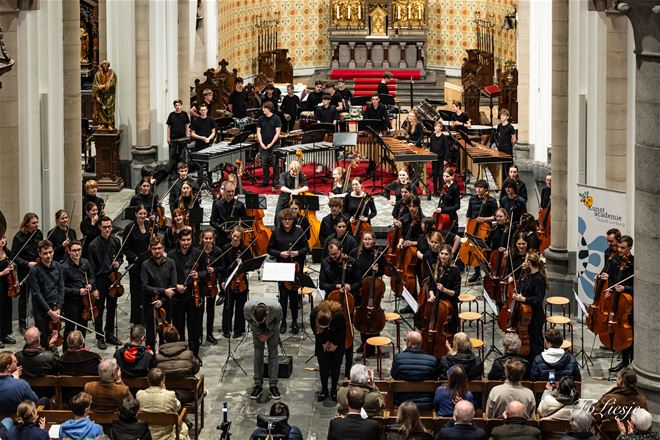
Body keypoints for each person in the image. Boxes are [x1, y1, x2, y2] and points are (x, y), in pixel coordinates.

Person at [267, 209, 308, 334]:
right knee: (283, 297)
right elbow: (269, 249)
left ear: (293, 220)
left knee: (294, 297)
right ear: (281, 220)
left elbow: (306, 248)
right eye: (284, 219)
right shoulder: (276, 232)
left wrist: (297, 252)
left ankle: (294, 321)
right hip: (282, 268)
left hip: (296, 268)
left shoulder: (299, 231)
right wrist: (280, 253)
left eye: (289, 219)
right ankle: (283, 321)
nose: (287, 222)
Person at [167, 228, 205, 360]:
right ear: (178, 240)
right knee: (178, 326)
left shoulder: (198, 253)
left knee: (194, 327)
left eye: (188, 240)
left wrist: (198, 274)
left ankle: (194, 355)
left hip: (192, 295)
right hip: (177, 297)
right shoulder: (171, 255)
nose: (186, 242)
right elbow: (168, 274)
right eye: (183, 240)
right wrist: (175, 286)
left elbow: (205, 271)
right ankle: (180, 354)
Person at [88, 216, 123, 349]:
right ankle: (99, 336)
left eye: (109, 227)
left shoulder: (116, 241)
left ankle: (109, 334)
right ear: (100, 228)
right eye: (104, 227)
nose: (107, 229)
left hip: (113, 278)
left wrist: (118, 263)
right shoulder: (93, 245)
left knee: (112, 307)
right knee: (99, 309)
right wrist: (94, 288)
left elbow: (120, 257)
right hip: (100, 279)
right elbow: (91, 268)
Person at [603, 234, 635, 372]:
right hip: (617, 300)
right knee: (619, 333)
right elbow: (612, 279)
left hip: (628, 303)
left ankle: (631, 363)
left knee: (629, 334)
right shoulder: (616, 260)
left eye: (623, 248)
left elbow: (637, 286)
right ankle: (624, 361)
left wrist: (625, 288)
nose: (620, 250)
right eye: (619, 247)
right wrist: (609, 289)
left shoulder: (633, 263)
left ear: (629, 248)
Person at [351, 230, 385, 356]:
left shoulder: (378, 254)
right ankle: (364, 343)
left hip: (373, 292)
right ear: (362, 240)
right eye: (365, 239)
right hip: (360, 290)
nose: (367, 242)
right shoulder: (355, 253)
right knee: (361, 316)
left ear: (374, 240)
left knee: (373, 316)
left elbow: (384, 271)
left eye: (369, 239)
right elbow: (351, 267)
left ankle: (373, 344)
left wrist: (378, 269)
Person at [27, 240, 65, 349]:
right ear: (39, 253)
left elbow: (61, 288)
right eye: (45, 253)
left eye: (50, 252)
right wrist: (49, 312)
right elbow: (36, 294)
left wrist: (59, 308)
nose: (48, 255)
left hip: (55, 307)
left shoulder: (58, 266)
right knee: (44, 340)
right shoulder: (34, 271)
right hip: (42, 311)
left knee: (55, 337)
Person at [140, 236, 177, 350]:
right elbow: (144, 286)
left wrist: (162, 300)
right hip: (150, 305)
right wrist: (163, 291)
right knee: (150, 336)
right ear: (150, 249)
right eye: (154, 248)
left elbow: (173, 287)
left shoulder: (170, 263)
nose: (157, 251)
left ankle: (164, 359)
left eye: (159, 248)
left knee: (165, 335)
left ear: (163, 248)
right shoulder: (145, 265)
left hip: (166, 304)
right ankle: (151, 362)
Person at [511, 251, 548, 361]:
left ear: (529, 262)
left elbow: (538, 299)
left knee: (536, 342)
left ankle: (536, 363)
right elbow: (521, 288)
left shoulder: (538, 279)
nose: (524, 262)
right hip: (527, 314)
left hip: (535, 316)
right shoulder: (528, 274)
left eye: (526, 260)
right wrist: (517, 294)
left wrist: (524, 299)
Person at [244, 298, 283, 400]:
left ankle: (273, 385)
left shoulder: (276, 308)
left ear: (267, 313)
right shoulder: (247, 307)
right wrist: (259, 333)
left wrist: (268, 334)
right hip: (256, 329)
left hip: (272, 327)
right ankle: (258, 384)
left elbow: (278, 321)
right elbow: (249, 320)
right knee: (258, 354)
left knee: (273, 354)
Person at [390, 331, 439, 411]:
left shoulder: (398, 358)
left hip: (403, 403)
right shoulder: (432, 360)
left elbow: (394, 376)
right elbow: (435, 378)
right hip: (426, 403)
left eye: (406, 341)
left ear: (409, 343)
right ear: (420, 344)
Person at [12, 213, 43, 334]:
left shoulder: (38, 233)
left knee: (37, 296)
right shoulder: (19, 237)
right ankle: (22, 323)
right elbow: (14, 256)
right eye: (34, 223)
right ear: (27, 223)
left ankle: (39, 322)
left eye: (37, 222)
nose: (36, 225)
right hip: (24, 269)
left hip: (37, 268)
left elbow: (40, 248)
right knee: (24, 297)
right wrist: (27, 263)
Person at [136, 368, 190, 440]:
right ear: (162, 382)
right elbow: (178, 407)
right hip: (167, 436)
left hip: (147, 435)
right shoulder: (170, 395)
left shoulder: (139, 394)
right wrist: (165, 390)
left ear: (148, 380)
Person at [61, 240, 98, 342]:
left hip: (85, 301)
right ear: (69, 251)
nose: (77, 253)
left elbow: (92, 277)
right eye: (74, 250)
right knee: (70, 330)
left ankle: (81, 351)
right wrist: (78, 291)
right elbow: (61, 289)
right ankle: (67, 353)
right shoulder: (64, 267)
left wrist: (90, 284)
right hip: (71, 303)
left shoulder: (85, 262)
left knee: (83, 328)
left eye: (79, 250)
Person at [122, 204, 152, 326]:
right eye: (140, 214)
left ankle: (146, 317)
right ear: (136, 214)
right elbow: (125, 248)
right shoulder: (130, 227)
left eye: (144, 214)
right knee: (136, 292)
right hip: (135, 263)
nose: (142, 216)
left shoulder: (149, 225)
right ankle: (136, 319)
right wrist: (134, 257)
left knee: (147, 290)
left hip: (147, 263)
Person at [420, 243, 461, 332]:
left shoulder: (455, 271)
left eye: (446, 254)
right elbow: (431, 285)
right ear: (439, 254)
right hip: (436, 302)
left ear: (450, 256)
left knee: (449, 330)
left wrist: (444, 290)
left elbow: (456, 292)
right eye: (441, 253)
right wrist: (431, 295)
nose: (443, 256)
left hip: (449, 304)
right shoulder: (435, 267)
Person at [310, 299, 346, 402]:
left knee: (335, 366)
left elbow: (342, 331)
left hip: (336, 342)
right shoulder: (314, 313)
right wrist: (323, 342)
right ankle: (324, 390)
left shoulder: (339, 315)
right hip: (322, 342)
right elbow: (315, 330)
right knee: (323, 366)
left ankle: (334, 390)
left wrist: (335, 344)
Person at [220, 226, 252, 339]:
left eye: (237, 237)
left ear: (241, 237)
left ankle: (239, 329)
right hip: (229, 280)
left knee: (240, 306)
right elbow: (222, 267)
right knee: (228, 306)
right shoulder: (225, 248)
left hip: (241, 280)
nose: (235, 238)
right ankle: (226, 329)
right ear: (231, 235)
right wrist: (223, 281)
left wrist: (242, 263)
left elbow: (250, 264)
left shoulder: (244, 248)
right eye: (234, 236)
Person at [154, 325, 200, 404]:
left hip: (166, 394)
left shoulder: (157, 357)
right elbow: (196, 369)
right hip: (187, 395)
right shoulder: (188, 354)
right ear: (178, 337)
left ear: (164, 340)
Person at [465, 180, 497, 283]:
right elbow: (469, 214)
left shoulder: (491, 201)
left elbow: (496, 217)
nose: (478, 189)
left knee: (484, 251)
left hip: (485, 229)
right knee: (474, 249)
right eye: (477, 187)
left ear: (486, 189)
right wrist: (466, 228)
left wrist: (484, 219)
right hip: (473, 228)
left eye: (481, 187)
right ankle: (477, 272)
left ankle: (488, 271)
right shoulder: (472, 199)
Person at [58, 331, 102, 404]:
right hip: (88, 397)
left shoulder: (61, 361)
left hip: (68, 398)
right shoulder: (93, 359)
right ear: (82, 344)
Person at [199, 229, 222, 343]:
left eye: (210, 238)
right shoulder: (198, 251)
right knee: (199, 310)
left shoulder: (217, 251)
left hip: (212, 285)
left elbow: (222, 267)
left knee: (211, 311)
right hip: (200, 285)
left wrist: (215, 269)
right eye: (206, 238)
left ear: (213, 239)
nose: (208, 241)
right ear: (202, 239)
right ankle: (199, 334)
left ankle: (209, 334)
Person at [209, 180, 247, 249]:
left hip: (236, 238)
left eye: (232, 191)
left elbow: (244, 221)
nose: (231, 193)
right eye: (228, 191)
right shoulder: (217, 203)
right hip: (222, 236)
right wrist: (222, 227)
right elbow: (212, 221)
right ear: (224, 191)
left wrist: (237, 230)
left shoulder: (240, 204)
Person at [257, 101, 282, 188]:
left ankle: (276, 182)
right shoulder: (260, 119)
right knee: (264, 163)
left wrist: (271, 144)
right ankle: (265, 181)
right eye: (263, 107)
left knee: (275, 163)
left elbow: (277, 133)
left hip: (274, 144)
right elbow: (258, 132)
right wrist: (262, 143)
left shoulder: (276, 118)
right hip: (263, 144)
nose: (263, 109)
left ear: (269, 109)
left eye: (265, 108)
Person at [92, 60, 117, 129]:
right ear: (101, 66)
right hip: (101, 94)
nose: (105, 66)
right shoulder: (98, 74)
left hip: (109, 95)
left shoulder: (112, 74)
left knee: (109, 108)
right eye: (104, 64)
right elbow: (95, 85)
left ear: (108, 65)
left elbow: (113, 83)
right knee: (101, 109)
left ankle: (109, 123)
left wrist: (103, 86)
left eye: (106, 64)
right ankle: (102, 123)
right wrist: (96, 96)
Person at [166, 99, 191, 168]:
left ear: (181, 106)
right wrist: (168, 137)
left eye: (179, 105)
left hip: (182, 138)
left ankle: (182, 169)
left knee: (182, 155)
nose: (177, 106)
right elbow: (169, 127)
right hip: (173, 138)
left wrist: (187, 134)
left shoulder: (184, 114)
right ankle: (173, 169)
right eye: (176, 105)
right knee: (172, 155)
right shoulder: (171, 115)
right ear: (174, 106)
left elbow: (187, 125)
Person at [0, 236, 15, 348]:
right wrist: (2, 273)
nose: (3, 240)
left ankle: (4, 334)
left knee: (6, 309)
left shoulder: (6, 251)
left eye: (4, 237)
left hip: (7, 285)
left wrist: (12, 266)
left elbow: (14, 261)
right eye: (0, 238)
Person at [429, 121, 451, 196]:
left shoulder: (444, 137)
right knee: (434, 174)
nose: (436, 128)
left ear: (441, 128)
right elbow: (431, 148)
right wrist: (430, 156)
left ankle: (441, 190)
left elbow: (447, 149)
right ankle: (435, 190)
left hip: (441, 158)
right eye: (435, 126)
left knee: (441, 174)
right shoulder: (432, 136)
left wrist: (446, 159)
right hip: (434, 158)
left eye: (438, 126)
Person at [435, 168, 460, 233]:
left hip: (451, 216)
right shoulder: (444, 186)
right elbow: (444, 201)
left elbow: (457, 206)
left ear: (452, 176)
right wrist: (439, 207)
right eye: (444, 176)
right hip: (443, 215)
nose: (445, 178)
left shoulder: (455, 188)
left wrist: (443, 210)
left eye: (447, 176)